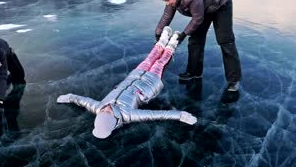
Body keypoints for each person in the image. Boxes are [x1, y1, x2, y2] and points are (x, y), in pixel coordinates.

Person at [57, 26, 197, 139]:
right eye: (108, 113)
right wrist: (180, 115)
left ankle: (163, 38)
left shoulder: (99, 108)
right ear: (114, 119)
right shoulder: (129, 115)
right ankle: (173, 42)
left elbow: (83, 101)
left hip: (134, 76)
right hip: (149, 84)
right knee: (160, 62)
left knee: (150, 58)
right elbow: (157, 114)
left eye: (103, 111)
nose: (106, 108)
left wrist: (69, 97)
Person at [156, 0, 242, 92]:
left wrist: (183, 34)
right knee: (196, 40)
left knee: (225, 41)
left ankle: (233, 80)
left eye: (168, 0)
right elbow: (167, 16)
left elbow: (197, 19)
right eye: (164, 0)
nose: (167, 3)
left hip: (221, 3)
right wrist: (158, 33)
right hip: (204, 6)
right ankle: (194, 72)